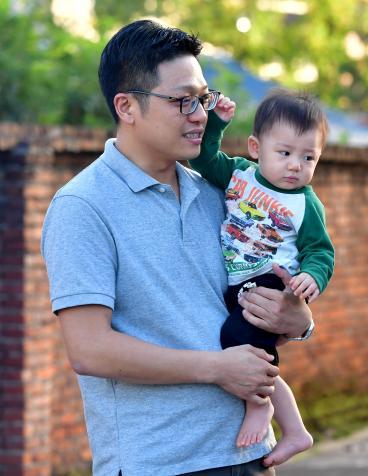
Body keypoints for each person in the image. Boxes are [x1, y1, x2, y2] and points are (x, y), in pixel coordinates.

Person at [41, 19, 314, 476]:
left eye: (203, 98)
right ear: (126, 106)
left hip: (251, 455)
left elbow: (251, 303)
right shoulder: (82, 206)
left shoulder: (222, 194)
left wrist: (298, 321)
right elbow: (89, 349)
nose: (200, 115)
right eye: (183, 100)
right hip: (158, 462)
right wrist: (216, 368)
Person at [188, 89, 333, 463]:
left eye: (308, 157)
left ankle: (259, 404)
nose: (295, 166)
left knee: (236, 337)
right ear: (256, 147)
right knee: (247, 345)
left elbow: (320, 251)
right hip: (239, 284)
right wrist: (217, 122)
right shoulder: (239, 175)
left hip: (273, 283)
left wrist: (312, 278)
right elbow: (205, 158)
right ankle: (296, 430)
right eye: (284, 153)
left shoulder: (306, 203)